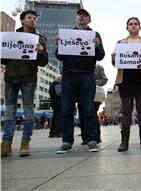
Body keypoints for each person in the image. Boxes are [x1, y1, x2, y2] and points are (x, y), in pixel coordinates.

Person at [55, 9, 105, 153]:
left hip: (87, 75)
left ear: (89, 20)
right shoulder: (68, 34)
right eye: (79, 15)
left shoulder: (94, 35)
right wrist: (59, 45)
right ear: (76, 19)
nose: (82, 17)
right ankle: (66, 141)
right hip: (69, 75)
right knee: (66, 109)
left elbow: (101, 56)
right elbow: (59, 56)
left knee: (88, 109)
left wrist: (96, 46)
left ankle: (91, 140)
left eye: (85, 15)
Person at [1, 10, 48, 157]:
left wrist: (41, 52)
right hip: (11, 76)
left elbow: (44, 62)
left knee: (28, 112)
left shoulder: (40, 39)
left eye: (34, 18)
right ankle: (6, 143)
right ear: (22, 20)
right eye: (29, 17)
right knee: (9, 112)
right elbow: (3, 60)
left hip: (28, 77)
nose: (32, 20)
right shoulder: (11, 37)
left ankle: (25, 142)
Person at [112, 17, 141, 151]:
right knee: (126, 111)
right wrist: (113, 59)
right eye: (131, 24)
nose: (133, 26)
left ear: (140, 27)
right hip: (126, 80)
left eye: (136, 24)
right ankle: (124, 141)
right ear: (127, 27)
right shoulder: (120, 43)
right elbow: (115, 63)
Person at [79, 64, 108, 144]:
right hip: (81, 93)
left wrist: (92, 82)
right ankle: (85, 138)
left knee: (92, 114)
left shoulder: (98, 67)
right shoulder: (79, 65)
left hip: (94, 94)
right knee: (82, 114)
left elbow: (104, 79)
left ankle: (96, 137)